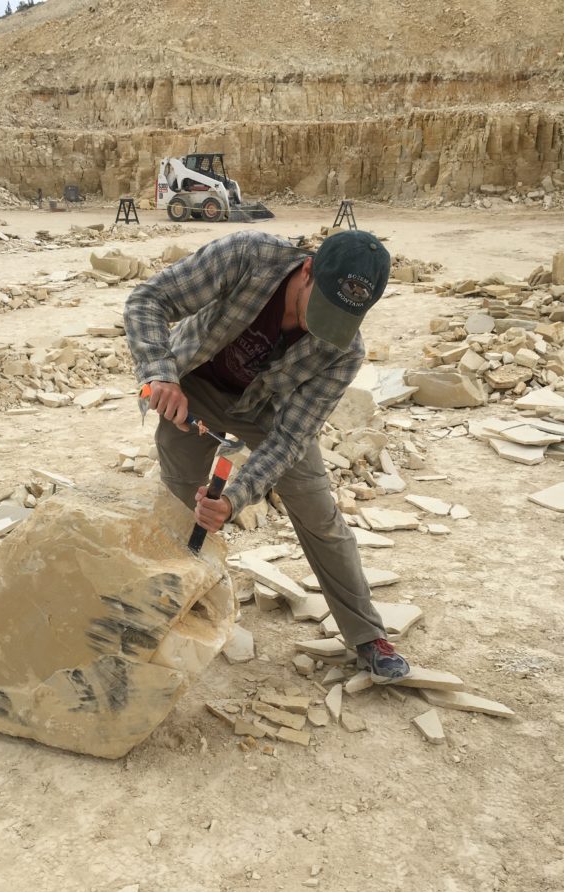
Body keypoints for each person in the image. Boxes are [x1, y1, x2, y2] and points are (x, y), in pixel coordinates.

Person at [123, 229, 410, 680]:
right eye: (320, 308)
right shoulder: (247, 257)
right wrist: (160, 376)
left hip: (266, 410)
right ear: (308, 268)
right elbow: (147, 301)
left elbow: (289, 439)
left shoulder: (344, 352)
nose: (323, 327)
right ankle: (170, 612)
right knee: (181, 506)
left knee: (318, 511)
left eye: (339, 318)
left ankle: (367, 635)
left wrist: (235, 498)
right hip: (193, 384)